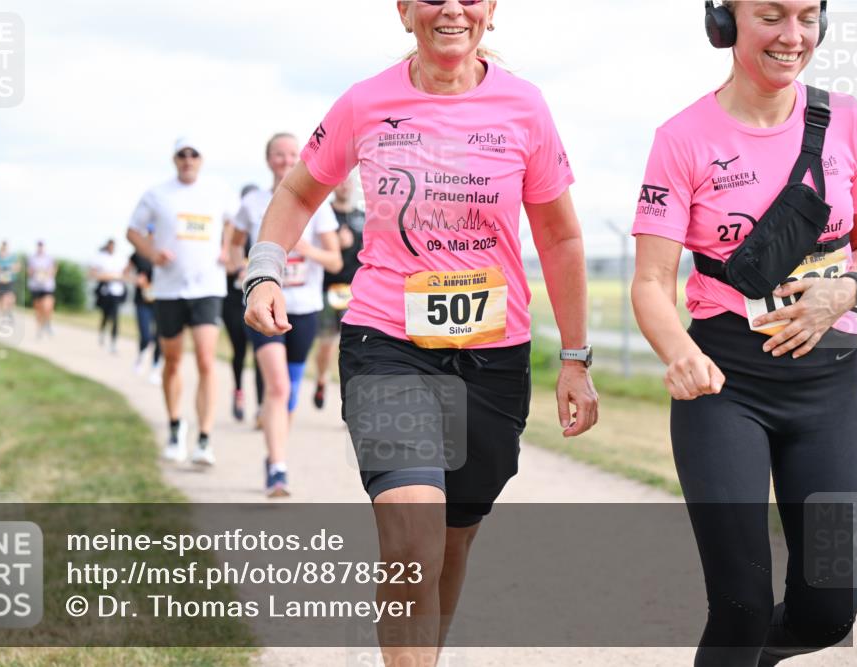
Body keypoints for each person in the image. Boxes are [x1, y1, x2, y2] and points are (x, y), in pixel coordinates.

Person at [243, 1, 597, 661]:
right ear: (405, 11)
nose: (452, 9)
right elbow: (297, 193)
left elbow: (559, 236)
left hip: (492, 359)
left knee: (452, 540)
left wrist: (574, 359)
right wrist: (264, 270)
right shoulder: (366, 102)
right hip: (388, 346)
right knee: (413, 539)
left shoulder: (525, 106)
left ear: (491, 11)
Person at [630, 2, 857, 665]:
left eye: (807, 17)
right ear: (725, 22)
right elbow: (650, 280)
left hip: (829, 389)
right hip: (725, 387)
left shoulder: (849, 120)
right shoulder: (682, 137)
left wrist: (850, 288)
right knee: (740, 605)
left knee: (829, 609)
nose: (792, 36)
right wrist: (679, 353)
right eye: (770, 15)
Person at [232, 133, 342, 497]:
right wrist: (239, 267)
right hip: (264, 306)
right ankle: (278, 468)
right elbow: (234, 245)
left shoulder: (319, 203)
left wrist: (306, 249)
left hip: (304, 308)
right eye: (279, 154)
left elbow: (335, 260)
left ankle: (275, 452)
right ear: (268, 160)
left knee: (290, 389)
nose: (285, 160)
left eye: (292, 154)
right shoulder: (252, 202)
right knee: (277, 385)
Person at [126, 137, 238, 466]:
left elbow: (236, 222)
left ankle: (204, 438)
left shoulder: (218, 191)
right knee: (172, 360)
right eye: (182, 154)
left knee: (206, 359)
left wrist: (226, 247)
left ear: (202, 159)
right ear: (174, 159)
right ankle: (176, 428)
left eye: (194, 154)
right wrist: (152, 254)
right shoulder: (158, 194)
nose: (188, 159)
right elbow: (132, 231)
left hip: (208, 287)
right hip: (169, 289)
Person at [313, 175, 365, 409]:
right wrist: (336, 242)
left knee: (352, 348)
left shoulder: (362, 217)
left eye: (347, 182)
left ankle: (350, 401)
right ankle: (322, 378)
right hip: (328, 288)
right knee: (327, 344)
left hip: (354, 292)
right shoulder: (325, 215)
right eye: (340, 181)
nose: (344, 186)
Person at [221, 183, 263, 422]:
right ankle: (238, 391)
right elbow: (222, 260)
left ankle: (261, 406)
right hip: (234, 299)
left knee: (260, 351)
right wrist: (239, 269)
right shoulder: (229, 231)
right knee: (239, 349)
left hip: (256, 297)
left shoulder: (264, 229)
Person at [127, 230, 163, 382]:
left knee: (160, 336)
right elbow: (125, 273)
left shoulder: (165, 252)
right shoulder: (138, 254)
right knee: (145, 334)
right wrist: (136, 279)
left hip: (161, 300)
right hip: (142, 300)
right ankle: (141, 356)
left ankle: (155, 368)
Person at [90, 238, 129, 354]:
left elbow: (125, 274)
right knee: (105, 315)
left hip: (117, 292)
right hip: (105, 292)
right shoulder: (101, 258)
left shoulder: (120, 258)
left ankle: (113, 342)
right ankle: (102, 332)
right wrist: (108, 277)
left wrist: (118, 277)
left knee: (115, 318)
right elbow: (93, 273)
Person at [27, 240, 57, 338]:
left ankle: (47, 322)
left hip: (47, 286)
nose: (40, 248)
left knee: (47, 306)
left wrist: (46, 275)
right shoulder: (32, 258)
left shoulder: (49, 258)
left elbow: (53, 270)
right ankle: (39, 328)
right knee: (38, 309)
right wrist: (36, 274)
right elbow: (29, 271)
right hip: (36, 286)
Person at [0, 241, 20, 322]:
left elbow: (18, 267)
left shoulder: (12, 257)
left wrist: (12, 268)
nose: (4, 248)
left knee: (11, 297)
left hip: (10, 280)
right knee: (1, 299)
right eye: (3, 247)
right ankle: (3, 315)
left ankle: (8, 312)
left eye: (5, 247)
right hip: (0, 280)